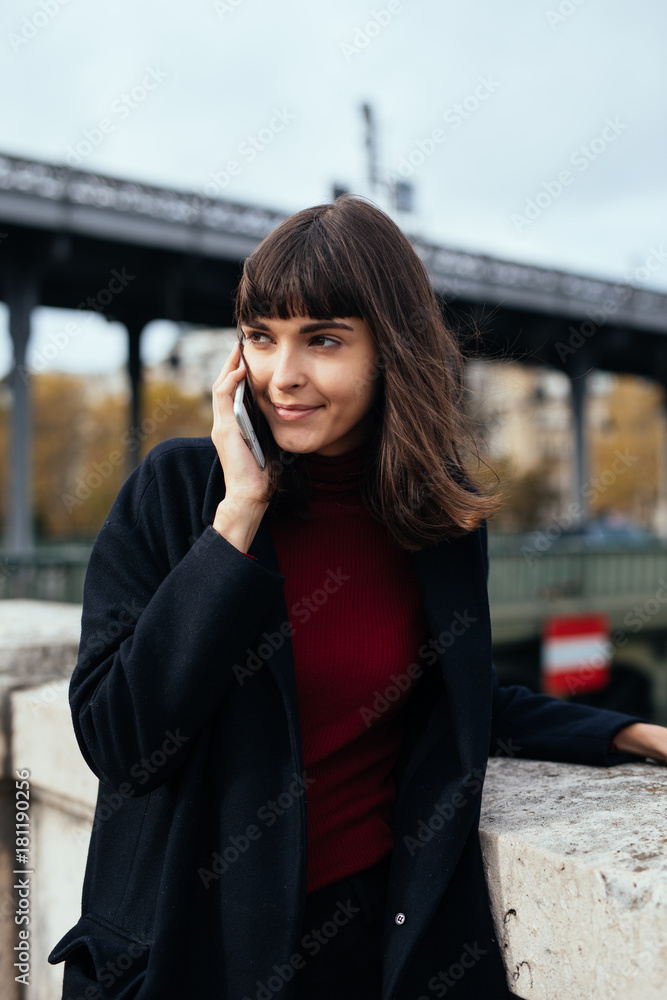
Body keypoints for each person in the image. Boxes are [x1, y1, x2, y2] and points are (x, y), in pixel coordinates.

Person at [49, 195, 667, 1000]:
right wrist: (235, 520)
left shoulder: (433, 522)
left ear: (391, 352)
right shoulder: (178, 493)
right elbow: (119, 738)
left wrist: (629, 731)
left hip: (364, 945)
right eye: (260, 338)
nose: (282, 376)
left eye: (324, 341)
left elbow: (456, 703)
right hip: (192, 952)